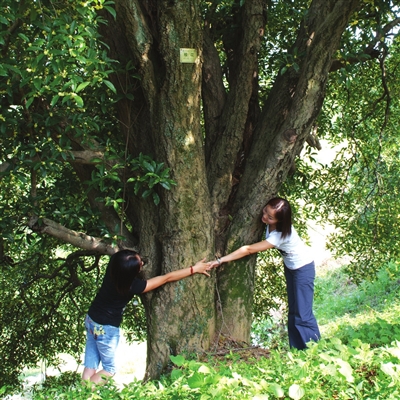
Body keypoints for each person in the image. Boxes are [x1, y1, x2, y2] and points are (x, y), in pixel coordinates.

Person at [208, 197, 320, 350]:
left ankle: (313, 351)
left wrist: (221, 260)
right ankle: (298, 350)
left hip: (303, 268)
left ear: (279, 221)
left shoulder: (280, 235)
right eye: (266, 211)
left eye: (270, 217)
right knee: (294, 311)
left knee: (302, 314)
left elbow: (248, 250)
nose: (265, 217)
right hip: (291, 268)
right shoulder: (272, 224)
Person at [82, 250, 210, 384]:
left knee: (91, 364)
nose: (143, 263)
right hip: (105, 328)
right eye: (140, 265)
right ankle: (86, 395)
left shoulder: (114, 265)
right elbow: (167, 278)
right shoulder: (134, 286)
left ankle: (81, 395)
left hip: (91, 319)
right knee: (109, 369)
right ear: (130, 273)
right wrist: (194, 269)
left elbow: (120, 257)